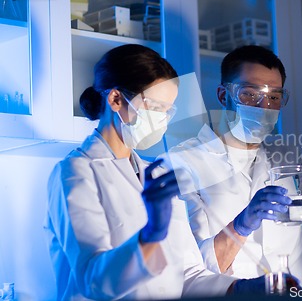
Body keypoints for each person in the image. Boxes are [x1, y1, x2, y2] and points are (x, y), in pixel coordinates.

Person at [44, 44, 273, 300]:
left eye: (167, 110)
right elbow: (93, 281)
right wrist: (152, 233)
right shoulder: (75, 172)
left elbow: (187, 274)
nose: (162, 119)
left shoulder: (155, 175)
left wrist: (243, 288)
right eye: (154, 107)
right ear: (116, 99)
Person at [166, 45, 302, 284]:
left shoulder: (287, 155)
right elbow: (193, 269)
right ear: (224, 96)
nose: (263, 106)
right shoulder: (183, 162)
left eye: (274, 96)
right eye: (250, 93)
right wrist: (242, 225)